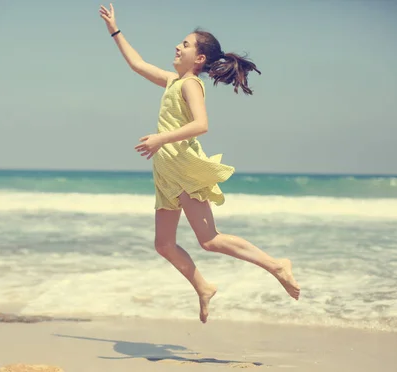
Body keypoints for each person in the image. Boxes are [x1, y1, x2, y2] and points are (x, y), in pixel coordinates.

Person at [99, 3, 300, 324]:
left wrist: (159, 138)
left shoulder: (191, 84)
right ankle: (203, 287)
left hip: (182, 167)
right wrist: (114, 29)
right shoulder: (172, 81)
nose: (178, 47)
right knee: (164, 244)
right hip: (165, 172)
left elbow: (202, 124)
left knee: (210, 240)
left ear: (200, 58)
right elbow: (137, 64)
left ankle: (277, 265)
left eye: (186, 44)